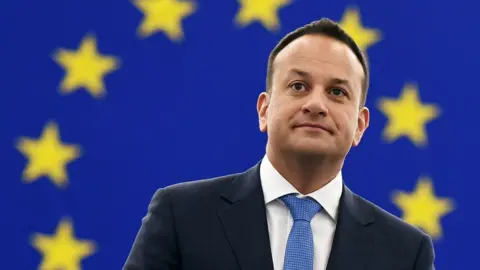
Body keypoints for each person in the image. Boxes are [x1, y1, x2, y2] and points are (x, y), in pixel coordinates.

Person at [123, 18, 435, 270]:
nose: (316, 104)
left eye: (337, 92)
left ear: (360, 126)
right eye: (298, 86)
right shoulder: (181, 216)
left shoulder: (406, 253)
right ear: (264, 110)